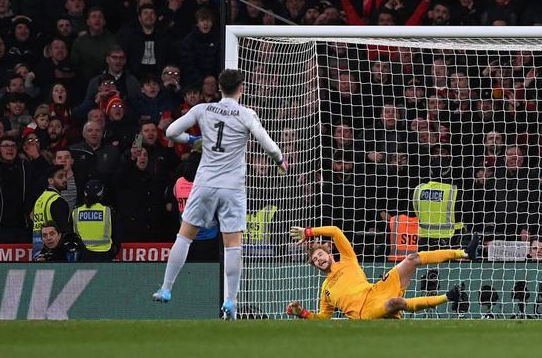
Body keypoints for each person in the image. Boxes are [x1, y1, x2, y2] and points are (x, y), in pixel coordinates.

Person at [153, 69, 287, 319]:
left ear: (219, 89)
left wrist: (193, 140)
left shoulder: (203, 110)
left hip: (204, 184)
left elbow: (171, 132)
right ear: (242, 88)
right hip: (232, 188)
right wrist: (280, 160)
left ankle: (166, 288)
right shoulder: (247, 114)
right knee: (233, 245)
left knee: (184, 236)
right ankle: (230, 300)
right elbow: (267, 143)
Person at [284, 224, 479, 320]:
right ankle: (448, 297)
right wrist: (303, 313)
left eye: (320, 255)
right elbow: (324, 319)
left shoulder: (348, 260)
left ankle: (464, 253)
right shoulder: (326, 289)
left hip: (376, 290)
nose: (319, 260)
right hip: (365, 313)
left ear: (329, 253)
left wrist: (310, 232)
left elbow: (335, 231)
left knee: (411, 259)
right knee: (396, 303)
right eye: (316, 260)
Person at [31, 165, 72, 258]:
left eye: (65, 176)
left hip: (38, 251)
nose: (65, 179)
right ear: (50, 181)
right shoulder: (57, 201)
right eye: (60, 177)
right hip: (54, 254)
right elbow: (63, 230)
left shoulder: (40, 199)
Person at [71, 179, 115, 261]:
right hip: (104, 254)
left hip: (83, 256)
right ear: (101, 194)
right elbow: (117, 235)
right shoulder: (108, 211)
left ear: (85, 194)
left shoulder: (76, 212)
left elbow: (72, 235)